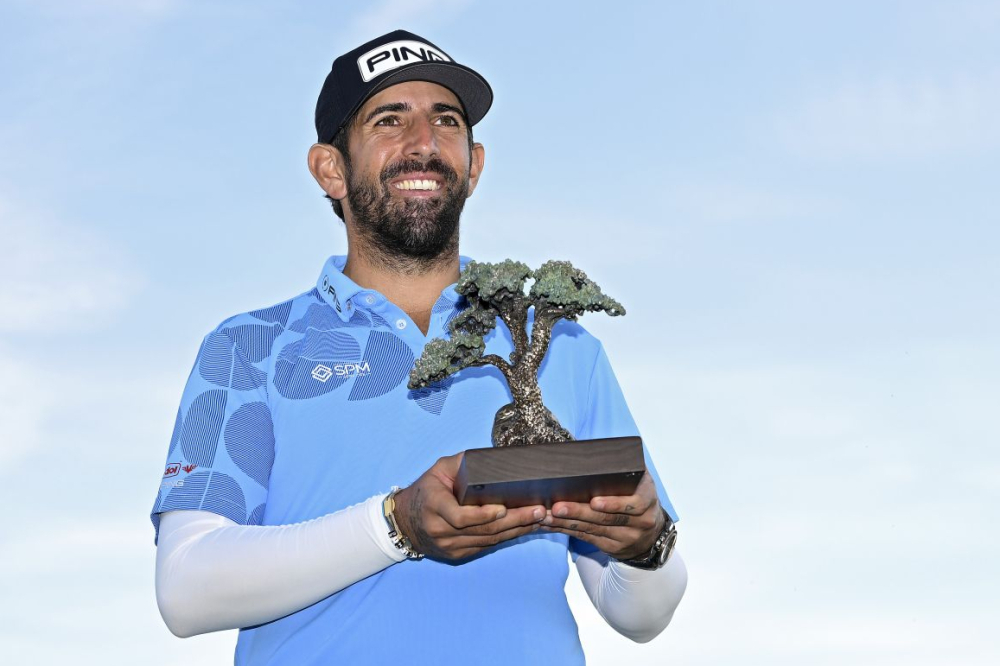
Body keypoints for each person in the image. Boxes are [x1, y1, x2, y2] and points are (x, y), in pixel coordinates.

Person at [152, 30, 687, 666]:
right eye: (389, 119)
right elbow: (185, 589)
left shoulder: (561, 344)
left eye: (446, 120)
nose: (425, 143)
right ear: (331, 169)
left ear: (475, 163)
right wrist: (396, 526)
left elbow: (640, 615)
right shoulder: (250, 347)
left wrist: (645, 545)